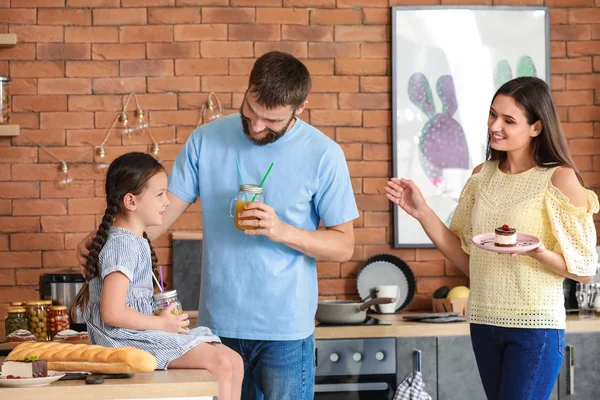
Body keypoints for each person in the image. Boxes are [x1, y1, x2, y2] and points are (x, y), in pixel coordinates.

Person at [77, 52, 358, 400]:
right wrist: (108, 242)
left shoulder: (324, 154)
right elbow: (156, 219)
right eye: (250, 111)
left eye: (270, 121)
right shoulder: (205, 140)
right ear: (247, 88)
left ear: (299, 109)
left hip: (285, 330)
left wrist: (280, 229)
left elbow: (344, 246)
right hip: (217, 326)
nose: (256, 126)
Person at [386, 76, 598, 400]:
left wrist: (538, 252)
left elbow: (584, 270)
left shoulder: (558, 178)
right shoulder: (481, 177)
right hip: (484, 321)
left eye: (509, 120)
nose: (495, 125)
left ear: (536, 128)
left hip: (534, 326)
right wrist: (422, 212)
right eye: (492, 114)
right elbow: (467, 259)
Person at [73, 152, 243, 400]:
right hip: (121, 340)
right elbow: (113, 312)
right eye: (160, 194)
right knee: (224, 363)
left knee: (233, 361)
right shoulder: (123, 244)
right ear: (131, 201)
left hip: (134, 334)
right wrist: (162, 324)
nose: (167, 202)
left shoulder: (134, 240)